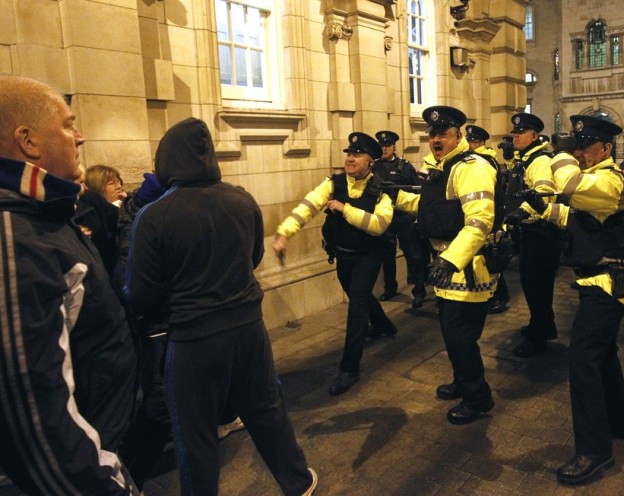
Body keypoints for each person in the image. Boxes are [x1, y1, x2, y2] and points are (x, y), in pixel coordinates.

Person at [127, 117, 317, 496]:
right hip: (248, 327)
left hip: (193, 339)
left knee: (194, 432)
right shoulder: (241, 199)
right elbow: (254, 256)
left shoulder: (155, 216)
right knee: (266, 410)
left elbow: (140, 294)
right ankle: (297, 482)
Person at [0, 75, 139, 495]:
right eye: (67, 124)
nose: (79, 137)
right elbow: (35, 412)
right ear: (28, 141)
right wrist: (110, 484)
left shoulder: (45, 212)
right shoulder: (14, 235)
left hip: (101, 444)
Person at [528, 115, 624, 485]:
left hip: (609, 283)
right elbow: (577, 219)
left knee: (582, 361)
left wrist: (558, 155)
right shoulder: (598, 182)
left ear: (606, 149)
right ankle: (619, 425)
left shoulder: (607, 180)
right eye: (575, 146)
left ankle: (595, 450)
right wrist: (538, 207)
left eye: (584, 146)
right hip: (599, 281)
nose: (578, 152)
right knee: (603, 355)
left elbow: (571, 187)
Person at [395, 106, 499, 425]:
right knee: (453, 334)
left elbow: (480, 220)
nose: (436, 139)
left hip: (467, 269)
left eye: (443, 133)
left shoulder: (471, 167)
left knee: (460, 337)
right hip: (448, 267)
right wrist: (390, 196)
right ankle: (463, 380)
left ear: (458, 135)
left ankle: (477, 398)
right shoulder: (445, 166)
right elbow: (431, 206)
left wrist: (451, 259)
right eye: (433, 134)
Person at [273, 132, 395, 395]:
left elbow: (378, 225)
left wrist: (344, 209)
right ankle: (385, 326)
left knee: (357, 306)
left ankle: (349, 368)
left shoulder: (382, 190)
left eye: (357, 154)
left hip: (368, 256)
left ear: (371, 161)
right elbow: (308, 205)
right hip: (343, 255)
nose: (350, 159)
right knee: (357, 295)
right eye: (349, 154)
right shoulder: (333, 183)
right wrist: (284, 233)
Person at [503, 113, 561, 357]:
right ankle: (542, 326)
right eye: (514, 132)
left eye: (521, 132)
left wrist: (520, 213)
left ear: (534, 136)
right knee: (532, 284)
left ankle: (539, 338)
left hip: (541, 233)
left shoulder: (539, 161)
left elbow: (544, 191)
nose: (515, 136)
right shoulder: (525, 159)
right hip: (530, 231)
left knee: (537, 286)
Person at [373, 130, 426, 308]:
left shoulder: (404, 166)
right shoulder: (375, 167)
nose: (384, 148)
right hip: (384, 218)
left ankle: (419, 291)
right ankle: (390, 288)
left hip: (403, 217)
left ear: (394, 146)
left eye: (387, 145)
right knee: (386, 255)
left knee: (413, 255)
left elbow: (417, 191)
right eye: (381, 145)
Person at [469, 125, 510, 314]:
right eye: (469, 141)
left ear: (482, 143)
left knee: (491, 261)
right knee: (485, 260)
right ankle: (492, 294)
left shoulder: (485, 161)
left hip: (490, 216)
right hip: (486, 215)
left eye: (474, 141)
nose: (471, 145)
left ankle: (500, 296)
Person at [74, 164, 126, 276]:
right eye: (112, 183)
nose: (119, 186)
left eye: (118, 181)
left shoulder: (122, 208)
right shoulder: (90, 206)